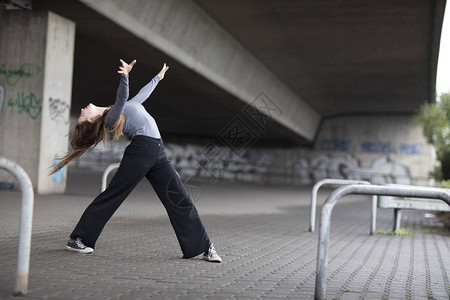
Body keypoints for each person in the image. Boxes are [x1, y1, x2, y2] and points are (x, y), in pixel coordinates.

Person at [50, 59, 221, 263]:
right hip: (142, 151)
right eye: (81, 115)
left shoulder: (119, 109)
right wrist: (125, 77)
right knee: (113, 195)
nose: (82, 110)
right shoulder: (110, 118)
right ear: (91, 120)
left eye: (80, 113)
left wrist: (158, 77)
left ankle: (203, 247)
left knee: (179, 198)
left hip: (157, 151)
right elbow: (122, 97)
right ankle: (78, 239)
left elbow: (141, 96)